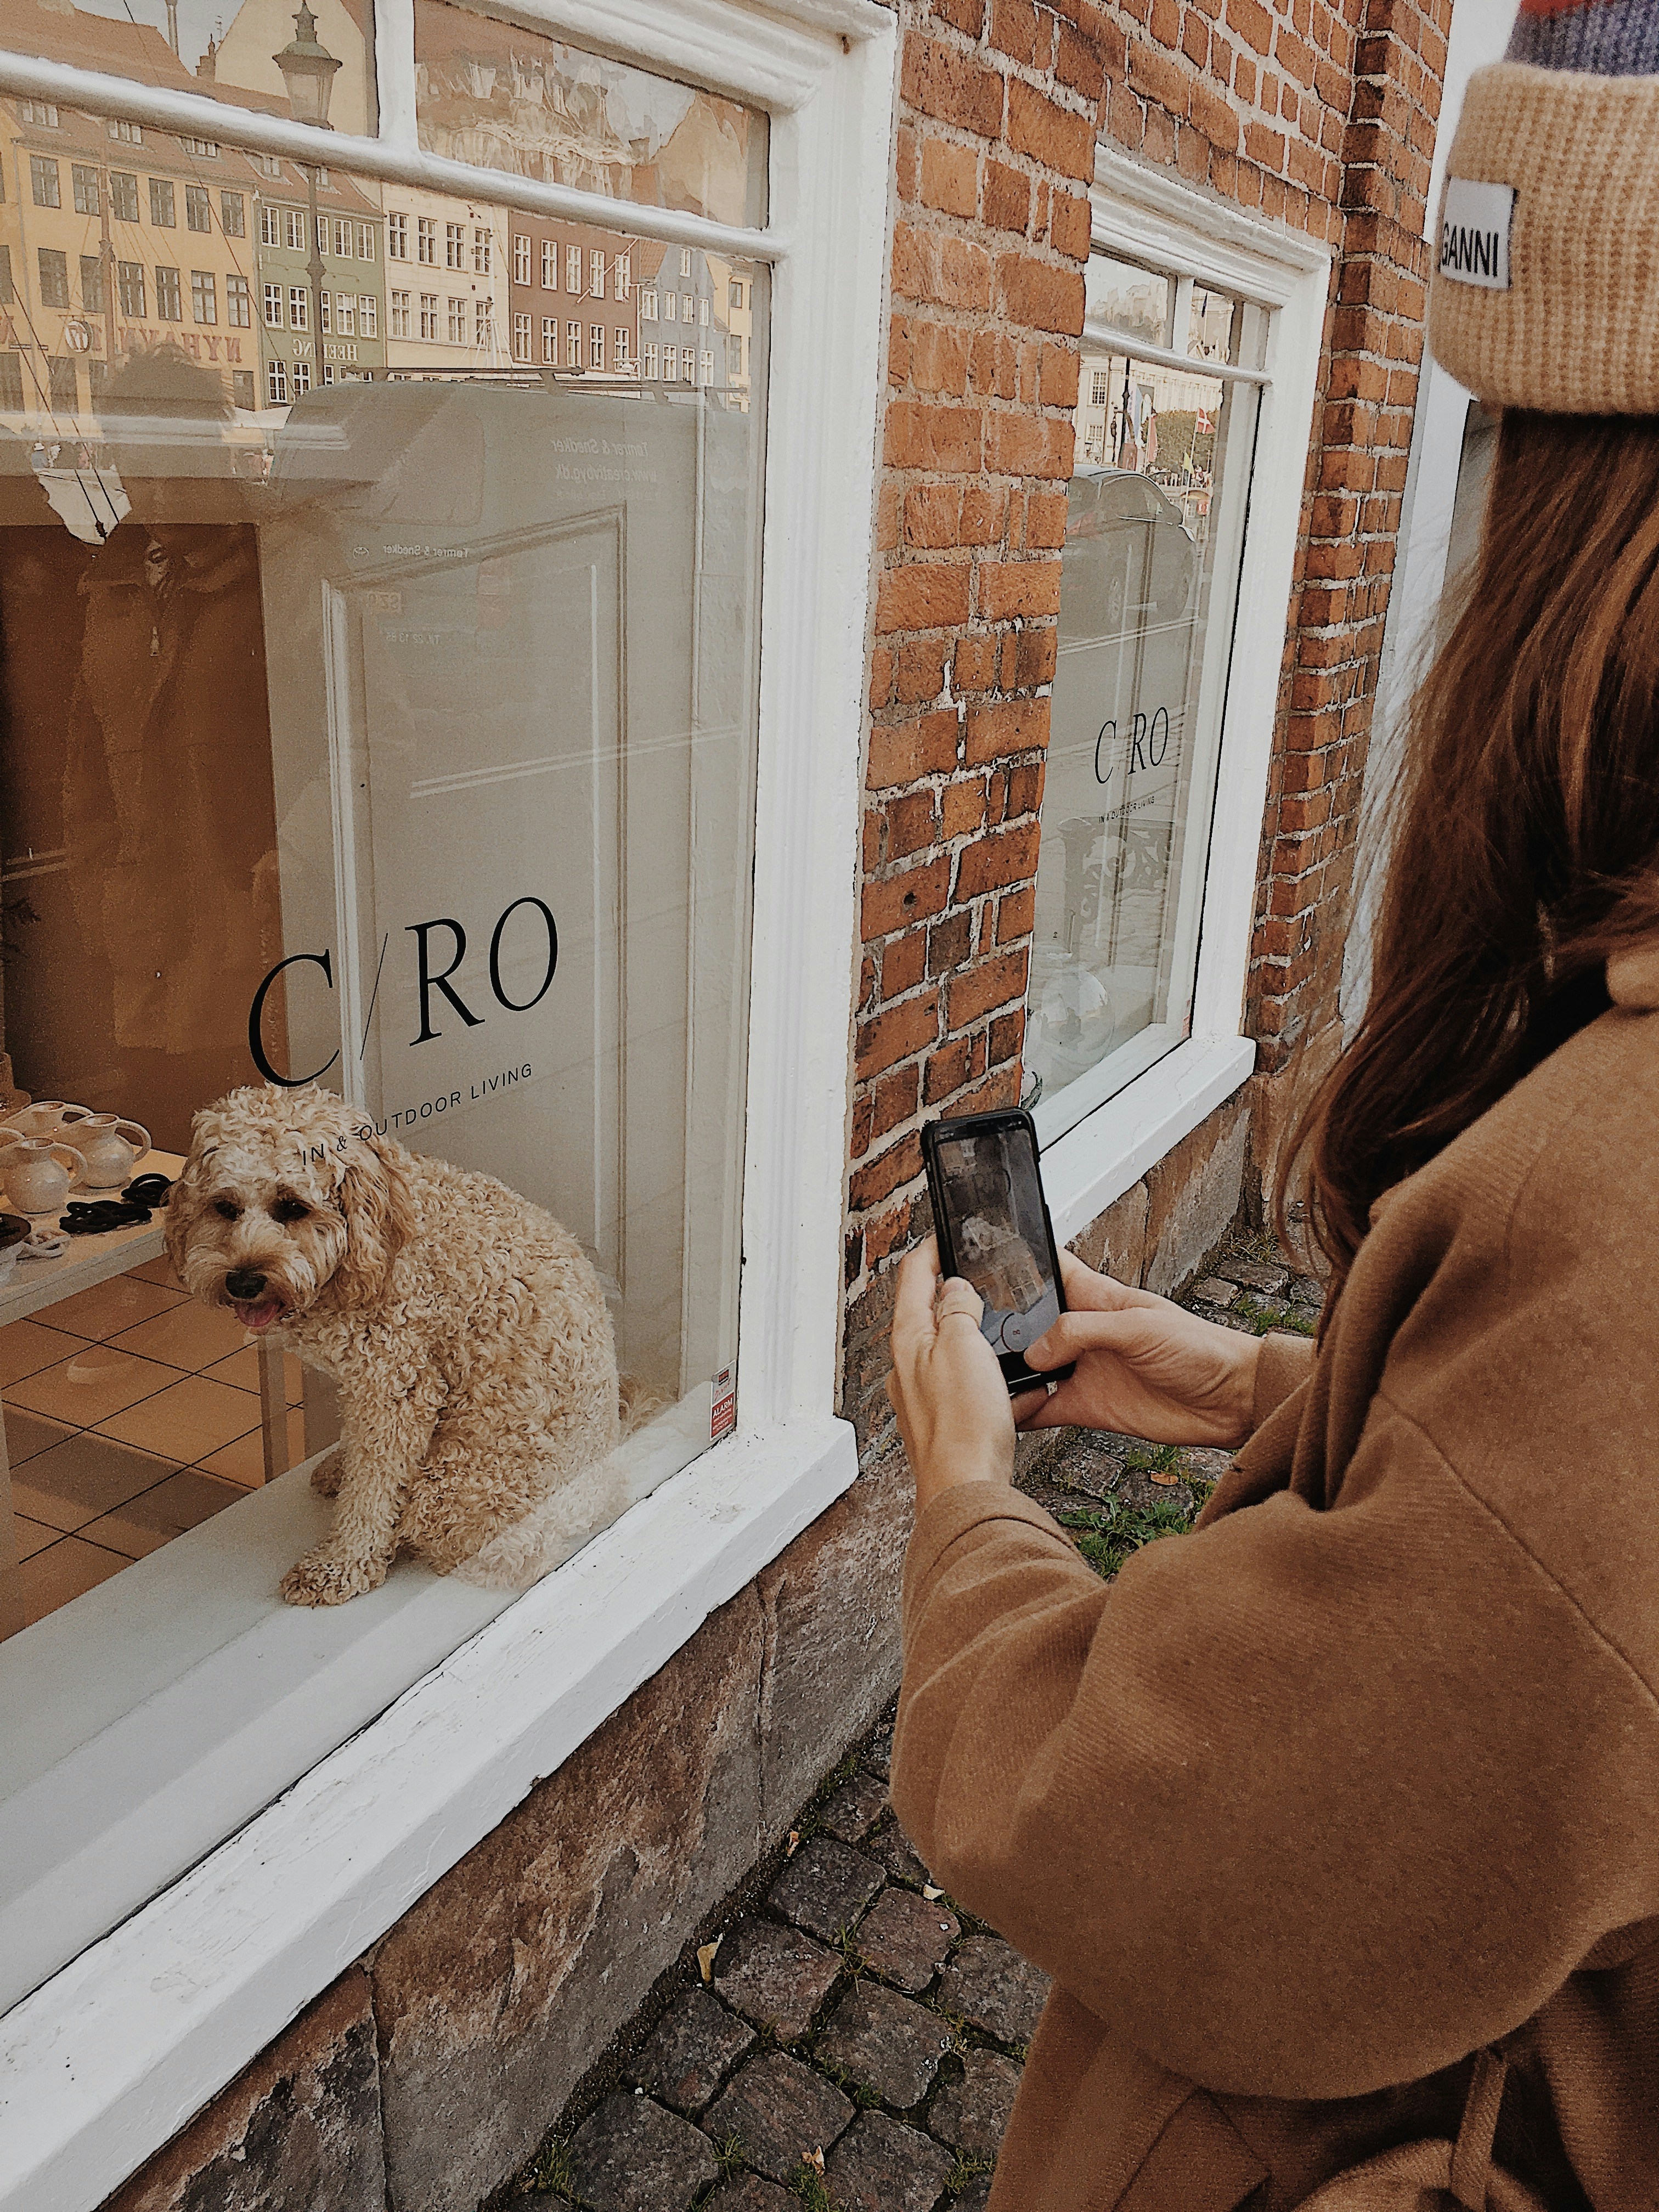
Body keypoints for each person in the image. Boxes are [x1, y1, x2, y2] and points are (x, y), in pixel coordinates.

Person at [885, 7, 1659, 2208]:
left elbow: (1196, 1845)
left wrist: (968, 1502)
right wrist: (1262, 1389)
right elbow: (1575, 1589)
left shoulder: (1621, 1194)